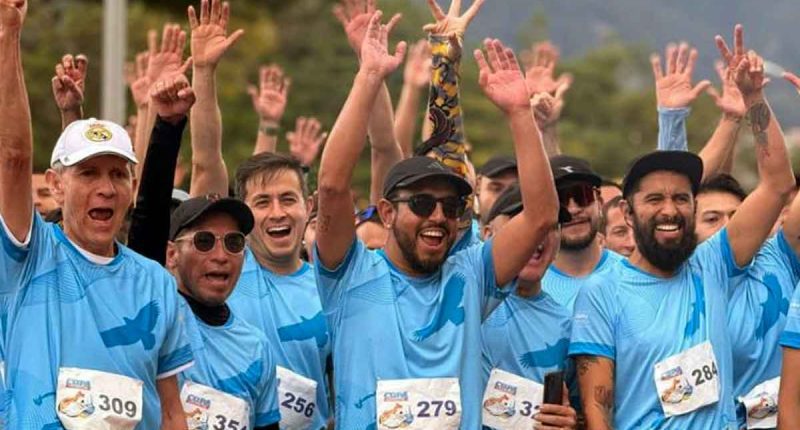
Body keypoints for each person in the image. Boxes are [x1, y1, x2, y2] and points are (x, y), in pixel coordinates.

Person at [314, 0, 559, 418]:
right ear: (387, 213)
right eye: (423, 204)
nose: (439, 217)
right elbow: (332, 185)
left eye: (451, 206)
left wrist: (520, 115)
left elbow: (541, 217)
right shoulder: (349, 274)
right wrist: (370, 75)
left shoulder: (470, 276)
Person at [570, 24, 795, 428]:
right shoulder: (601, 292)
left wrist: (754, 97)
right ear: (627, 211)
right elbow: (597, 408)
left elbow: (778, 183)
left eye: (681, 199)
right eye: (654, 200)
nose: (670, 210)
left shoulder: (713, 265)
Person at [0, 2, 192, 427]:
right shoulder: (28, 258)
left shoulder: (156, 283)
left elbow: (173, 412)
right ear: (55, 184)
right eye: (88, 173)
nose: (105, 187)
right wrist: (8, 34)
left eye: (118, 174)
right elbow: (13, 157)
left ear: (131, 188)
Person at [229, 152, 331, 430]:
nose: (277, 213)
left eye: (288, 199)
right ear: (243, 214)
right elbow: (206, 163)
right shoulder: (224, 273)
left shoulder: (330, 290)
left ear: (308, 206)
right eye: (262, 202)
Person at [167, 195, 281, 430]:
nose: (220, 256)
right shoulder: (156, 323)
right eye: (204, 241)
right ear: (171, 255)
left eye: (234, 243)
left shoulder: (256, 346)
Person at [480, 184, 577, 430]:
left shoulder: (568, 325)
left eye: (549, 225)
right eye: (522, 221)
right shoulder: (461, 300)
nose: (536, 233)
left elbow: (582, 413)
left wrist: (569, 423)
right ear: (487, 234)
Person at [541, 155, 623, 311]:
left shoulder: (631, 276)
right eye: (560, 200)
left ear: (599, 202)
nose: (573, 210)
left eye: (582, 196)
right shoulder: (531, 285)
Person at [476, 155, 517, 225]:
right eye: (496, 189)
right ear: (478, 185)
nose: (504, 198)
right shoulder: (459, 233)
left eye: (513, 191)